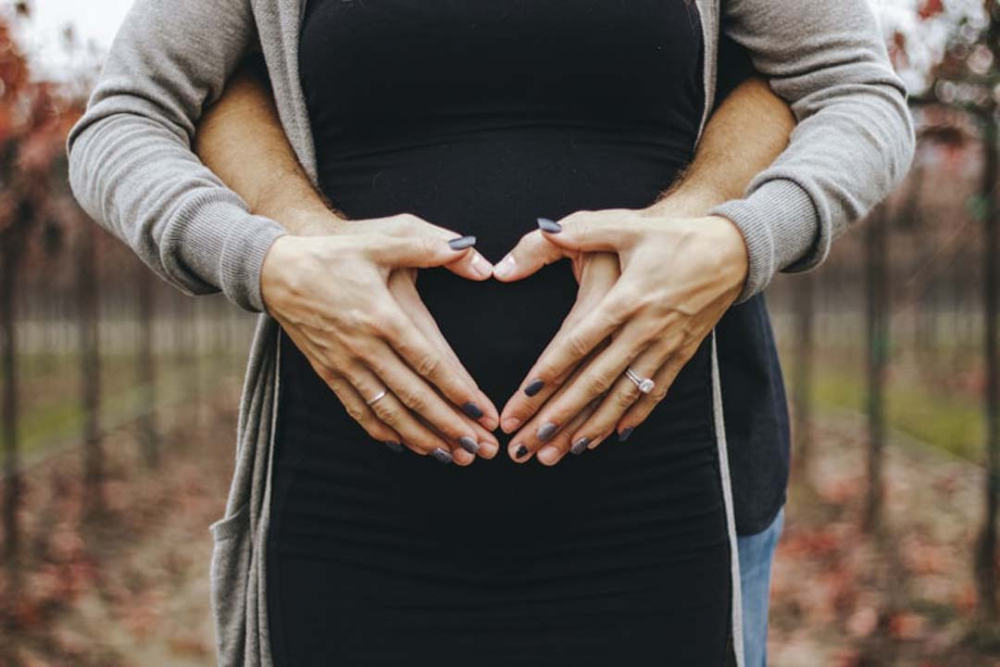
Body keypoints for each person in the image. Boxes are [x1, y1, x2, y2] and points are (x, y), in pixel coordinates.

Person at [66, 1, 914, 666]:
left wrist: (734, 238)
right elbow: (126, 117)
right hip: (348, 515)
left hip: (667, 507)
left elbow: (850, 88)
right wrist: (271, 259)